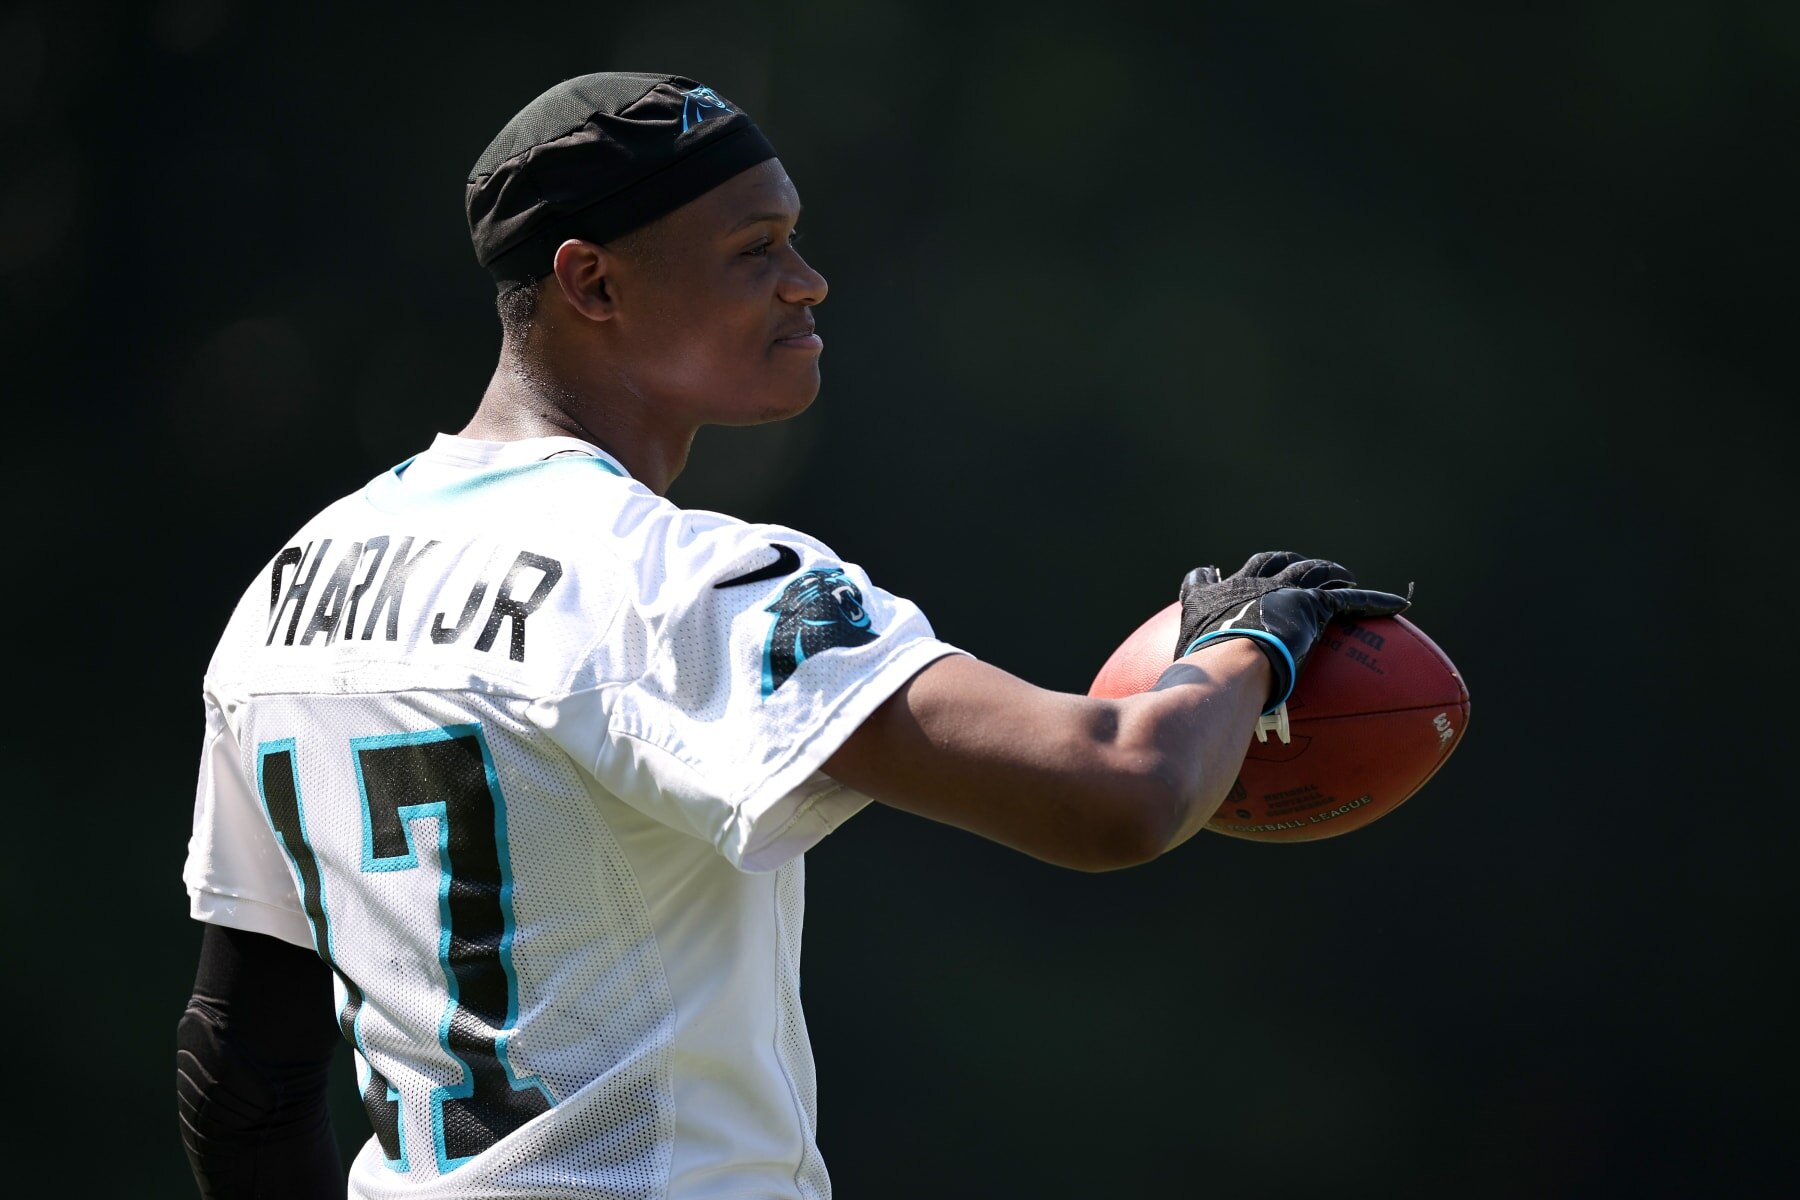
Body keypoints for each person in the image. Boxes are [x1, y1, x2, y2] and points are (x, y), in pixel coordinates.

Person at [176, 72, 1409, 1200]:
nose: (808, 280)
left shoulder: (288, 592)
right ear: (592, 282)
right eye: (755, 250)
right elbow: (1120, 789)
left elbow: (242, 1082)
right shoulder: (668, 575)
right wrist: (1255, 642)